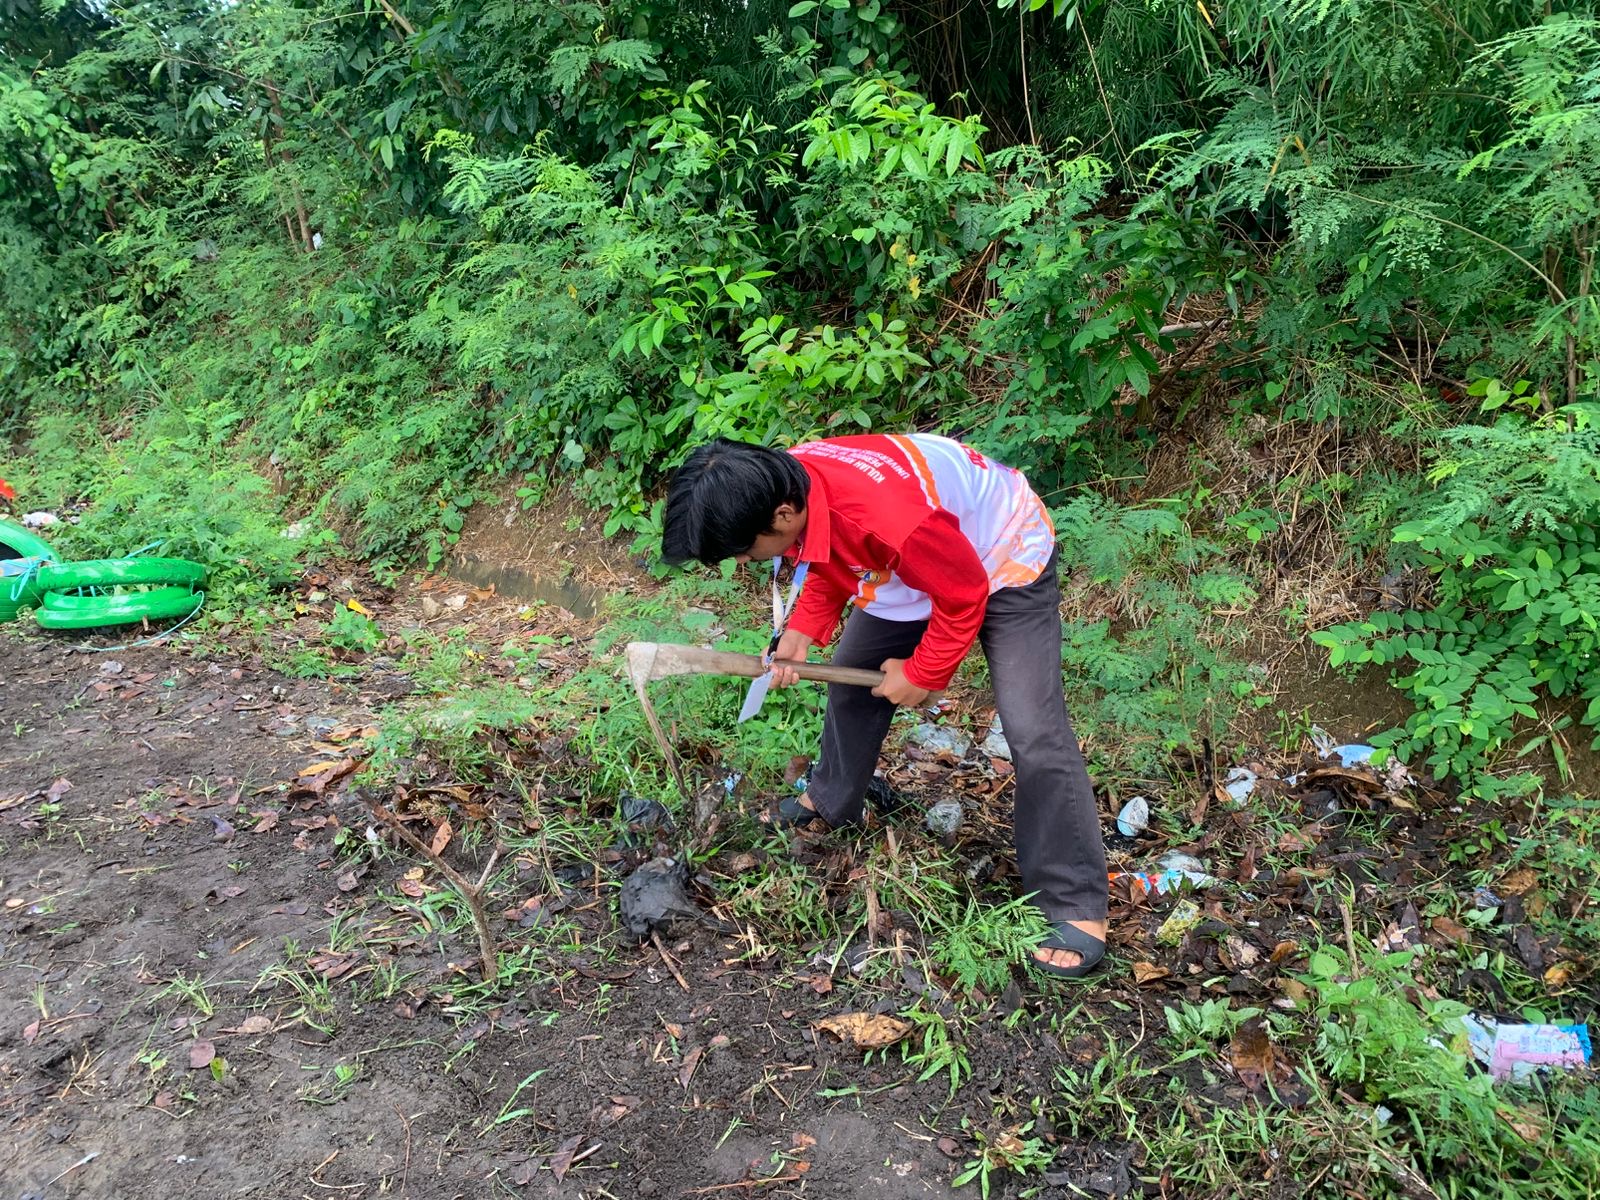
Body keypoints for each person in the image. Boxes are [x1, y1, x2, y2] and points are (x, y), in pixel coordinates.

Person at [661, 434, 1108, 978]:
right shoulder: (788, 478)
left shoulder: (887, 517)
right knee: (851, 686)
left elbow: (964, 591)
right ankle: (832, 801)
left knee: (1034, 731)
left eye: (742, 549)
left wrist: (923, 673)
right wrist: (802, 630)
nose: (741, 560)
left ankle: (1073, 901)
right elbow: (829, 553)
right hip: (918, 563)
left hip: (1000, 554)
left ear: (781, 513)